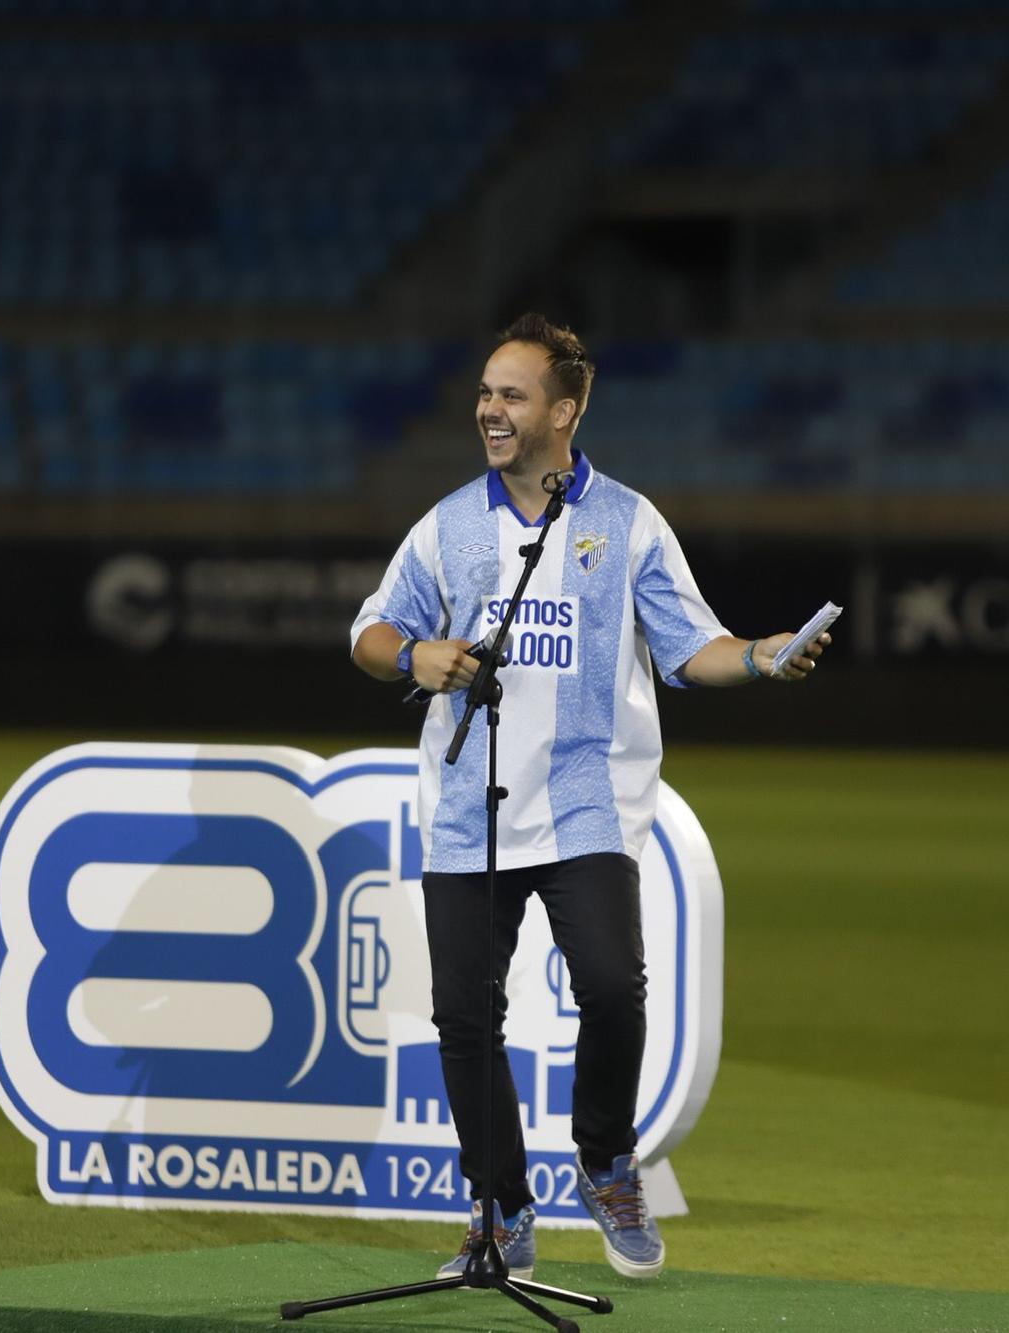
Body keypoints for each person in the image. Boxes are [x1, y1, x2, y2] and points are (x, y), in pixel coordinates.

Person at [349, 313, 830, 1281]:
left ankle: (605, 1161)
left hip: (585, 805)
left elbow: (692, 646)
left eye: (511, 394)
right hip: (466, 809)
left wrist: (764, 654)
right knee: (462, 1017)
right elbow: (366, 631)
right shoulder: (445, 525)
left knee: (612, 987)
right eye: (485, 391)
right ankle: (499, 1210)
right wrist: (414, 654)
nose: (489, 409)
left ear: (564, 410)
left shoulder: (627, 523)